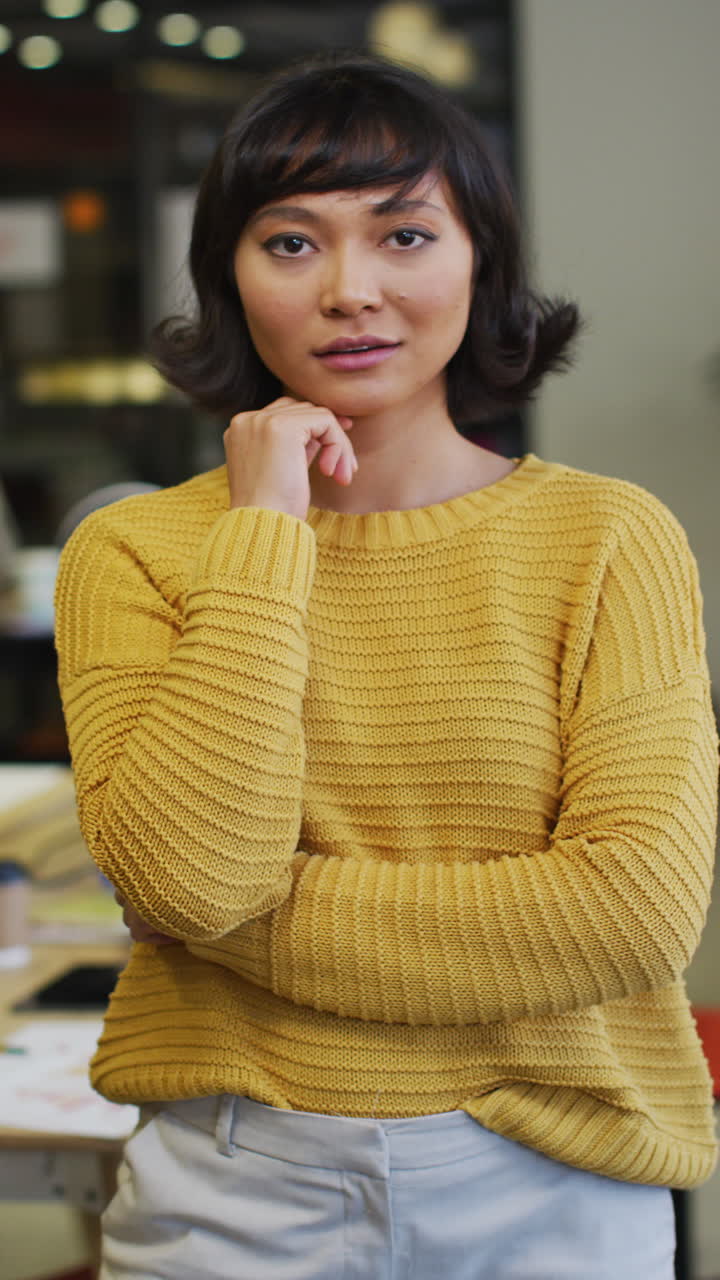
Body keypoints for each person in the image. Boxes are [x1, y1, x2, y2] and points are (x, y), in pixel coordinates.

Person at [53, 52, 718, 1280]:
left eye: (405, 234)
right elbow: (195, 877)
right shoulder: (138, 549)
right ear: (230, 277)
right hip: (235, 1178)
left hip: (549, 1171)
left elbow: (631, 914)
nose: (350, 290)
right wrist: (262, 526)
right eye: (291, 243)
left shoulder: (608, 537)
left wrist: (241, 919)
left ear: (482, 264)